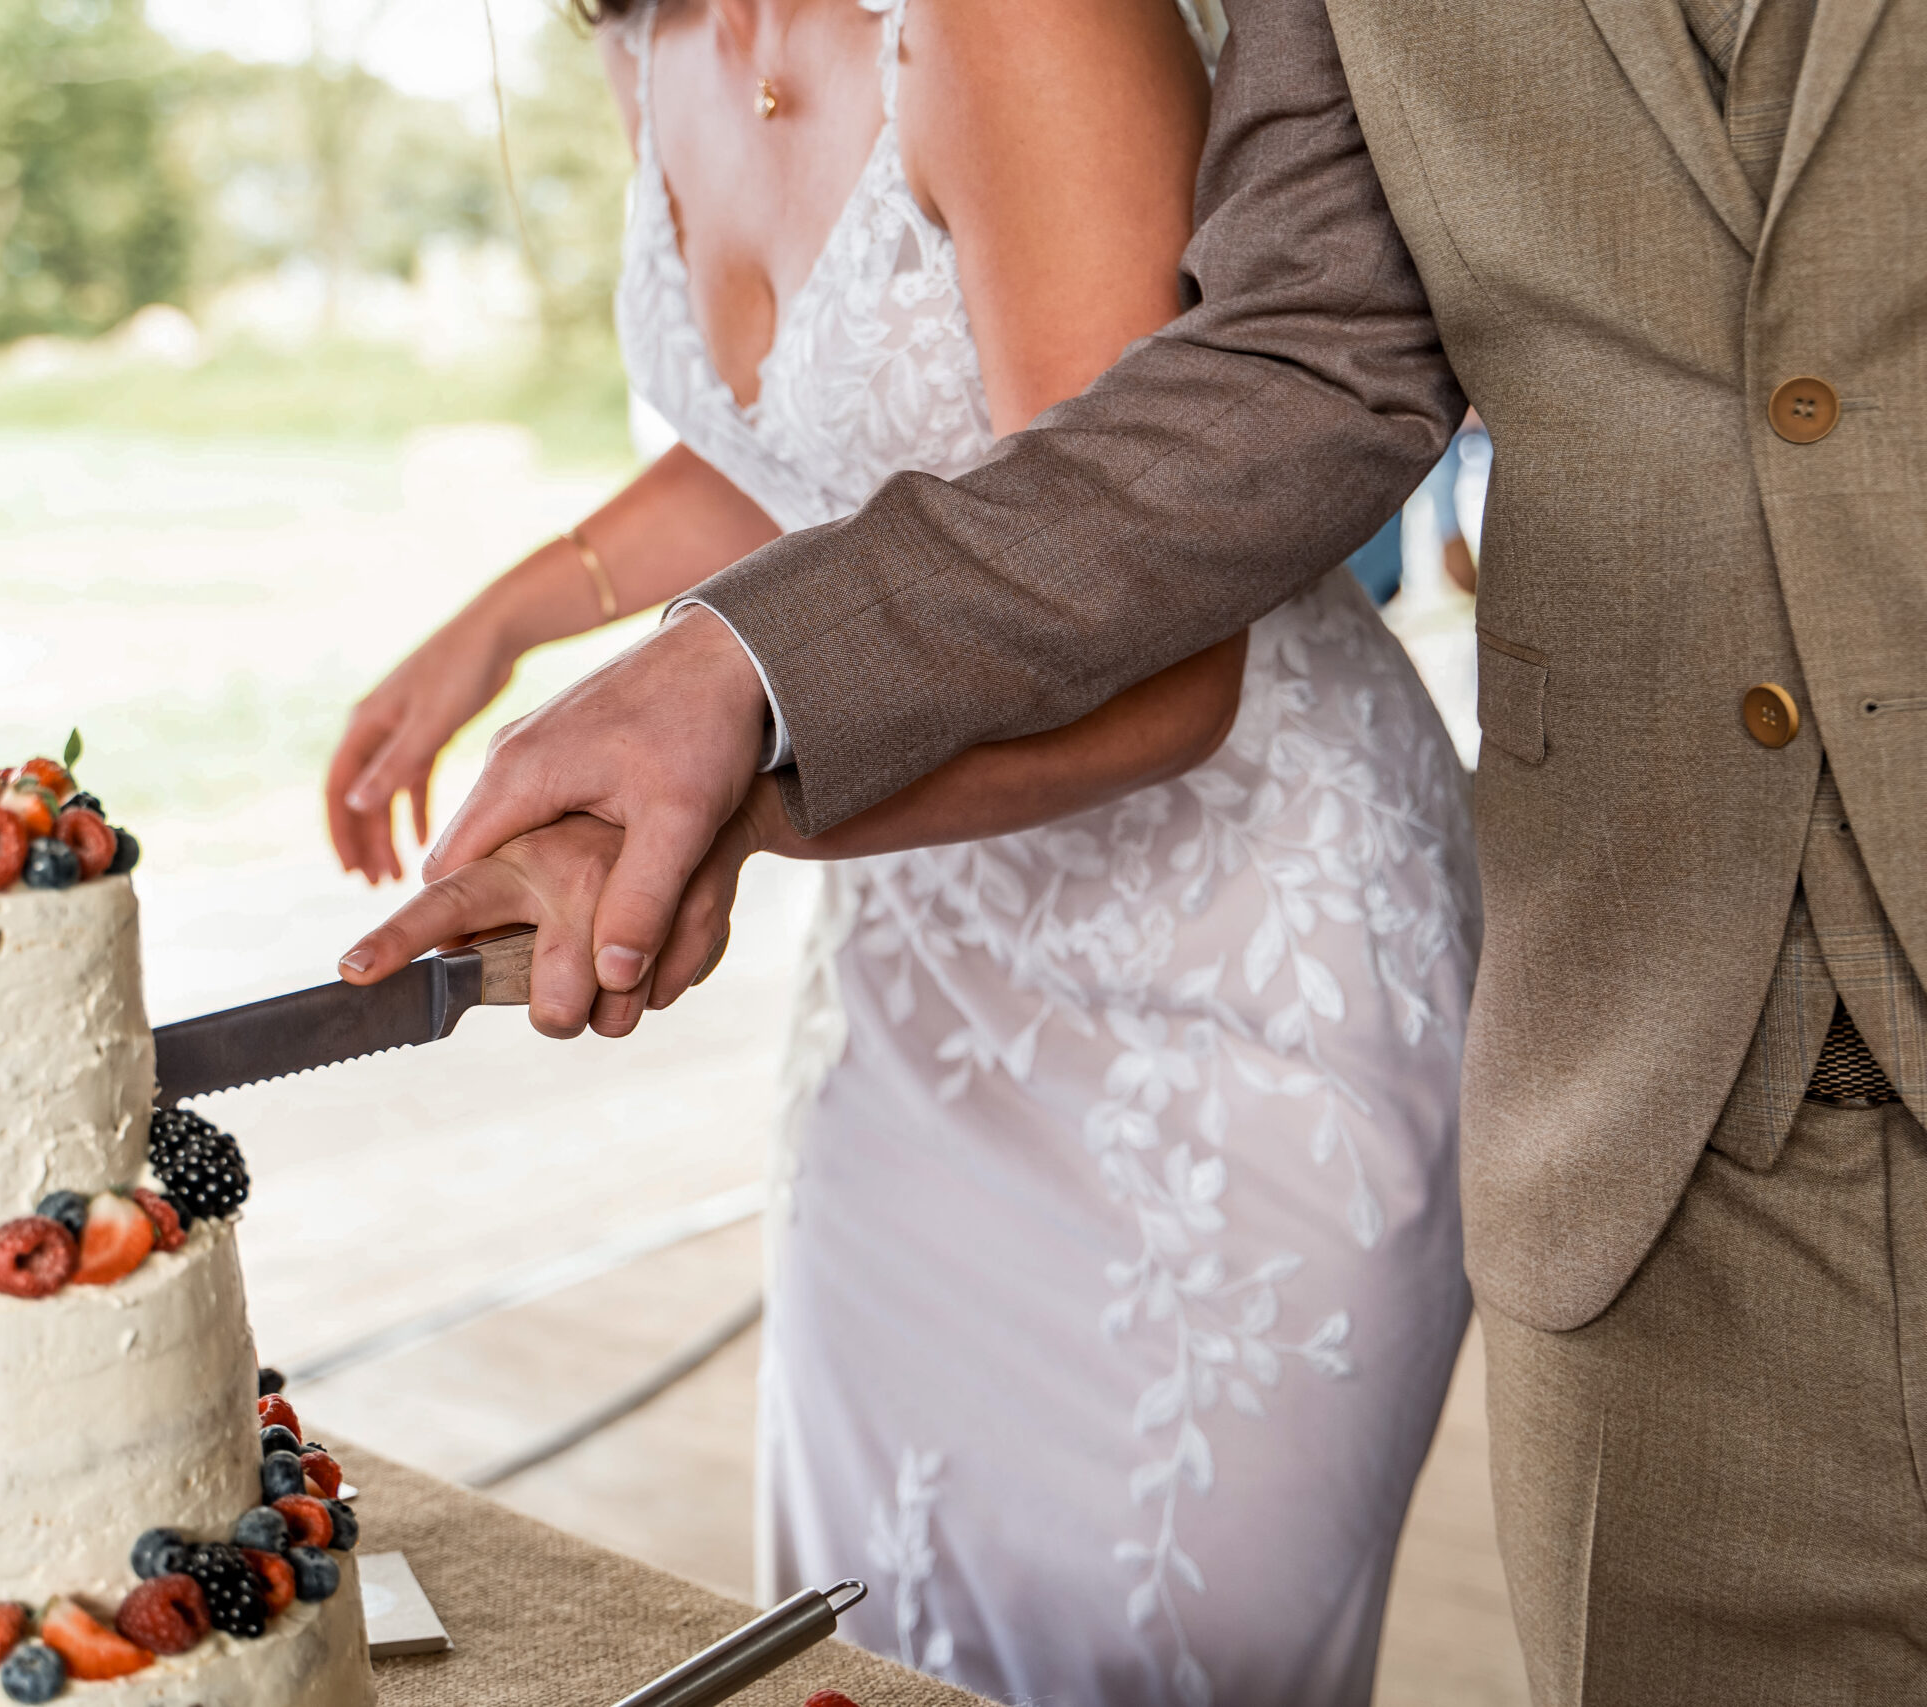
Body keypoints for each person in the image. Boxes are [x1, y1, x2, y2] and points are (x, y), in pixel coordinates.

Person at [343, 0, 1927, 1696]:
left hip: (1249, 977)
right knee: (875, 1638)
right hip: (1011, 1001)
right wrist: (570, 635)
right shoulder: (644, 38)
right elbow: (1158, 385)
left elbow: (1166, 573)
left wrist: (748, 754)